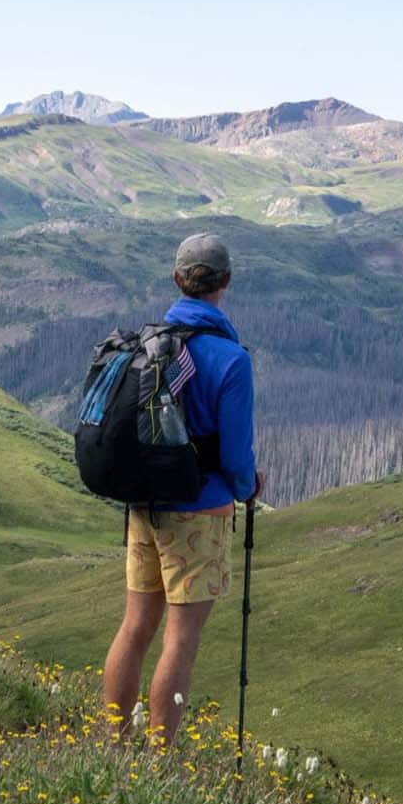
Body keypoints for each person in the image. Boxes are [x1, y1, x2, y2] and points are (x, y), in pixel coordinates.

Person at [103, 233, 262, 747]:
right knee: (181, 640)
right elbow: (235, 459)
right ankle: (160, 761)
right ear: (226, 282)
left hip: (144, 504)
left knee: (134, 628)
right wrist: (248, 486)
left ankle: (114, 745)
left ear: (177, 279)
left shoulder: (151, 346)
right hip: (201, 513)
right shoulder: (231, 360)